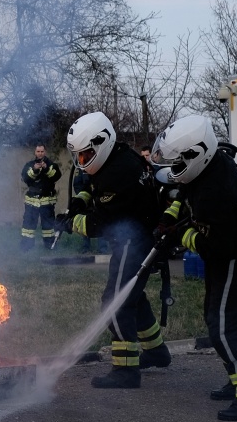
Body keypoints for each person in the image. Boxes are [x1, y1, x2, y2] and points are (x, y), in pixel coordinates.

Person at [151, 115, 237, 421]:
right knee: (215, 317)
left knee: (225, 327)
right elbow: (184, 197)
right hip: (230, 249)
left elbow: (214, 246)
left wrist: (179, 236)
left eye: (178, 162)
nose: (175, 169)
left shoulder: (214, 190)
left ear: (195, 155)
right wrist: (169, 219)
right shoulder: (208, 167)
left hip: (235, 255)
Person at [62, 111, 170, 388]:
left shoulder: (118, 174)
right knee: (132, 294)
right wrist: (80, 200)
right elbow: (94, 188)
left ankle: (125, 370)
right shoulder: (119, 155)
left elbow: (99, 224)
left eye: (85, 155)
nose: (82, 162)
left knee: (115, 300)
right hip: (143, 236)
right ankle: (156, 350)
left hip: (134, 243)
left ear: (102, 143)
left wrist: (72, 221)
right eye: (79, 156)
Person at [20, 144, 62, 251]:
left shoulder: (51, 165)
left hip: (47, 201)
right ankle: (26, 247)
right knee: (28, 226)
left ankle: (49, 246)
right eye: (38, 151)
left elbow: (56, 176)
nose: (40, 153)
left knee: (48, 226)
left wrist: (46, 168)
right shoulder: (29, 165)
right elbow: (25, 178)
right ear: (35, 152)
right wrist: (34, 170)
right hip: (32, 201)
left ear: (45, 152)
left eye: (42, 151)